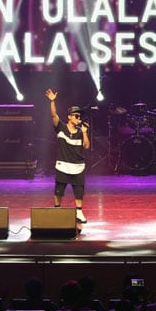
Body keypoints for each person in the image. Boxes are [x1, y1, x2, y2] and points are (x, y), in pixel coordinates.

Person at [45, 88, 90, 223]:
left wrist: (85, 132)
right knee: (59, 189)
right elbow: (53, 115)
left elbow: (87, 146)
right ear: (69, 116)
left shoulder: (81, 131)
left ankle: (79, 212)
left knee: (79, 189)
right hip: (63, 165)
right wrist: (52, 101)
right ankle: (58, 210)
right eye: (76, 115)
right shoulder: (61, 128)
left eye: (80, 116)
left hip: (77, 166)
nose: (78, 118)